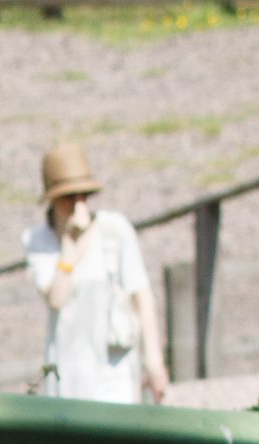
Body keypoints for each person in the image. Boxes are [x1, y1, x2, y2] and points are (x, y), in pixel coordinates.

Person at [24, 143, 168, 405]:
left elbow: (141, 295)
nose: (78, 205)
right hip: (67, 372)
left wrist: (154, 361)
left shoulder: (114, 230)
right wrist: (69, 244)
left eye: (84, 195)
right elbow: (56, 298)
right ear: (52, 200)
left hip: (114, 369)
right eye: (69, 197)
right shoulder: (38, 240)